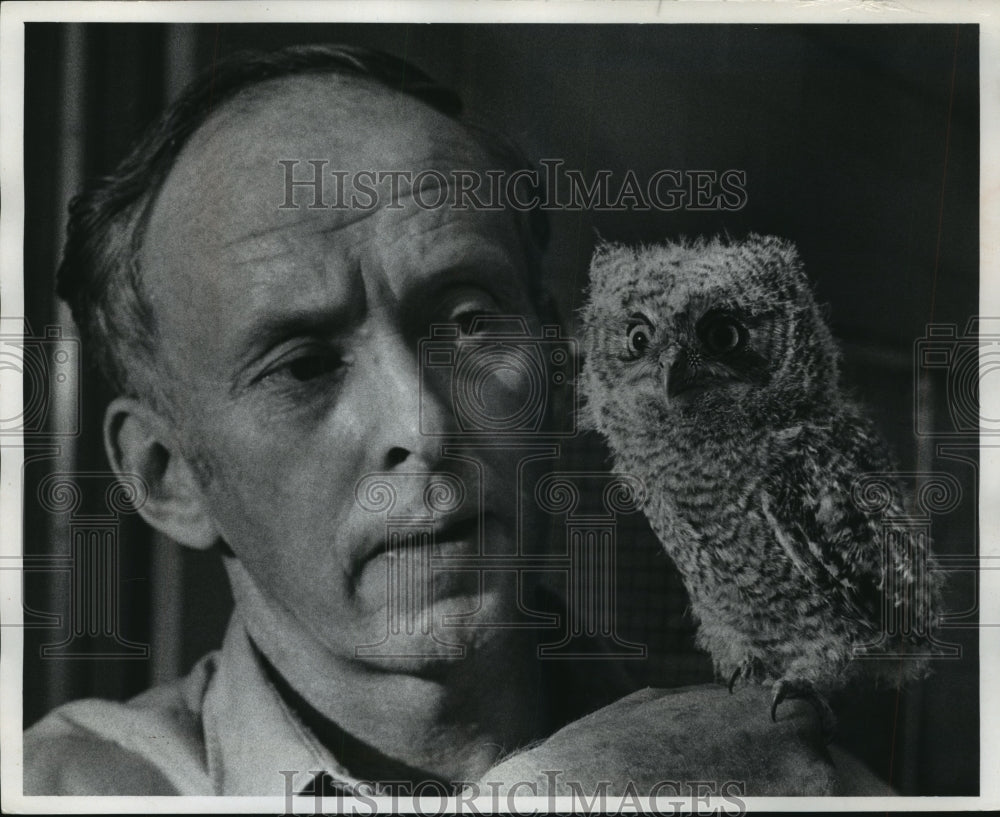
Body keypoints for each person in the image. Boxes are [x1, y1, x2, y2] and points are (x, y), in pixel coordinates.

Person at [23, 44, 889, 799]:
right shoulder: (62, 790)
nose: (425, 423)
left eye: (472, 323)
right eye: (303, 366)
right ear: (168, 476)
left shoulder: (793, 780)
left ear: (558, 361)